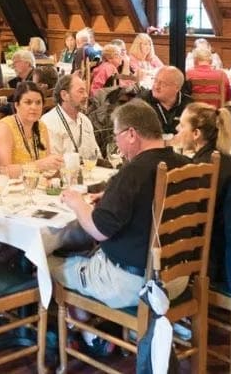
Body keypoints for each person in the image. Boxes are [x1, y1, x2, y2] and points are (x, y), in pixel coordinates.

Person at [49, 99, 191, 317]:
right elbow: (150, 200)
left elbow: (99, 230)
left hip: (134, 284)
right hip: (178, 278)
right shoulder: (184, 165)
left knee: (44, 263)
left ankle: (84, 333)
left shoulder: (134, 172)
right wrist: (111, 196)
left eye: (117, 137)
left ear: (131, 134)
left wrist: (76, 202)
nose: (117, 145)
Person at [174, 101, 231, 283]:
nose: (178, 128)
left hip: (212, 258)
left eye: (182, 125)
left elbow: (189, 221)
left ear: (196, 134)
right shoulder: (228, 160)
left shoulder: (200, 168)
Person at [0, 82, 61, 176]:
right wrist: (39, 165)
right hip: (6, 187)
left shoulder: (41, 126)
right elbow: (3, 172)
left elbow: (46, 165)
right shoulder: (4, 128)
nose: (34, 107)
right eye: (28, 102)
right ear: (16, 105)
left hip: (35, 185)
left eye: (38, 102)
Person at [41, 74, 100, 160]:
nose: (86, 96)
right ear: (64, 95)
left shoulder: (85, 120)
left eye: (85, 91)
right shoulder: (49, 123)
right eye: (81, 91)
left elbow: (96, 155)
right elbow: (53, 163)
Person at [140, 65, 187, 135]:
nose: (156, 86)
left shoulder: (188, 106)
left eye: (163, 84)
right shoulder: (141, 102)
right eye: (155, 81)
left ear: (177, 88)